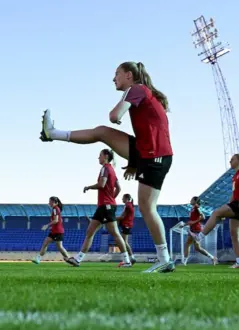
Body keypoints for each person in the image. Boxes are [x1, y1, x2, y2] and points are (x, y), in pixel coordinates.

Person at [40, 62, 175, 273]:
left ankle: (164, 258)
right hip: (146, 152)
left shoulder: (136, 89)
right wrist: (132, 162)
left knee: (148, 208)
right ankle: (53, 133)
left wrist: (121, 110)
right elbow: (150, 127)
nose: (114, 79)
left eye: (117, 74)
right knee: (101, 132)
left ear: (129, 75)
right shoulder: (141, 91)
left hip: (155, 155)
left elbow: (114, 116)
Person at [66, 149, 132, 268]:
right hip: (106, 206)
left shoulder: (105, 168)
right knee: (90, 232)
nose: (98, 158)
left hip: (105, 206)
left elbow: (102, 184)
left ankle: (127, 261)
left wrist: (88, 187)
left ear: (106, 156)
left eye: (100, 155)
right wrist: (112, 199)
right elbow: (119, 188)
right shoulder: (112, 170)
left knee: (115, 234)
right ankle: (78, 260)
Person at [190, 154, 239, 269]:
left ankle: (200, 236)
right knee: (234, 235)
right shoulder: (235, 176)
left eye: (233, 159)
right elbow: (233, 195)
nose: (230, 160)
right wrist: (226, 208)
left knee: (215, 213)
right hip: (236, 204)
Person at [33, 196, 71, 264]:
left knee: (60, 247)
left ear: (55, 202)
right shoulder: (56, 208)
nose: (49, 203)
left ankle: (69, 259)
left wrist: (47, 225)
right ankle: (38, 259)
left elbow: (56, 220)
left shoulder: (55, 209)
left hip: (58, 232)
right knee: (45, 242)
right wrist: (53, 226)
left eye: (50, 202)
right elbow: (60, 220)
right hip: (54, 231)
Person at [181, 197, 217, 265]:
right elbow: (191, 221)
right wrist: (184, 225)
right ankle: (212, 258)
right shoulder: (193, 209)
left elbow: (203, 217)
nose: (190, 200)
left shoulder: (197, 207)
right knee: (193, 246)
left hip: (196, 229)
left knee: (191, 246)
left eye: (191, 199)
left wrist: (194, 222)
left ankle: (184, 262)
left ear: (195, 201)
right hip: (192, 228)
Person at [116, 194, 136, 264]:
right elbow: (122, 216)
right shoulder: (129, 205)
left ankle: (129, 259)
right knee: (124, 242)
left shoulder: (128, 205)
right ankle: (131, 258)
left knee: (124, 242)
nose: (122, 199)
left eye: (123, 198)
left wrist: (113, 218)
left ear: (126, 198)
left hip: (126, 225)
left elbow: (122, 217)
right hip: (127, 225)